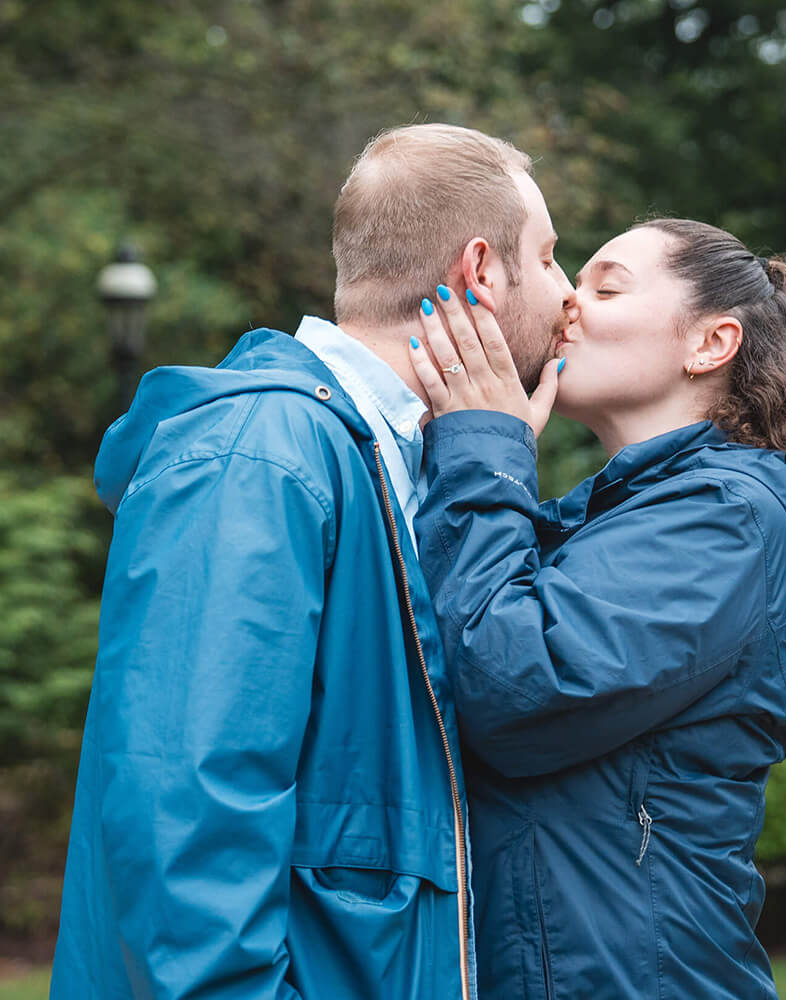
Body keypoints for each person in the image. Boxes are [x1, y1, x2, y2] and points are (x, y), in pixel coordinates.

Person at [49, 123, 573, 1000]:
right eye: (552, 258)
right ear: (478, 273)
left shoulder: (387, 467)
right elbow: (184, 820)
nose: (570, 297)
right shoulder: (261, 455)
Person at [407, 218, 786, 999]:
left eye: (606, 285)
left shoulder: (727, 518)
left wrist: (484, 449)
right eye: (570, 276)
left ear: (711, 345)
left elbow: (518, 693)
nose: (566, 304)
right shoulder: (629, 514)